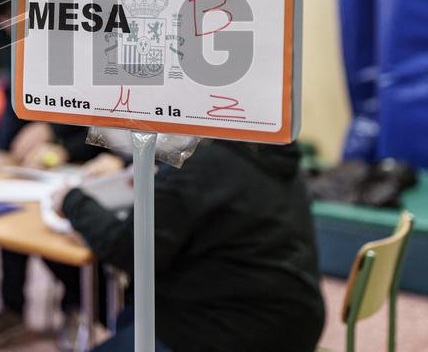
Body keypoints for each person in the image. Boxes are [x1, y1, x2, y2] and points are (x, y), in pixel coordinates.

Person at [0, 0, 121, 349]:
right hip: (18, 130)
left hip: (77, 137)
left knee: (63, 232)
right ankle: (12, 308)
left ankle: (76, 305)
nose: (4, 29)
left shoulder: (72, 21)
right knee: (11, 220)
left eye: (11, 21)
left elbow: (98, 100)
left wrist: (55, 132)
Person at [54, 140, 326, 352]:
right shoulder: (266, 149)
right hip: (293, 320)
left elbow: (128, 249)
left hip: (227, 331)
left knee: (133, 317)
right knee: (130, 317)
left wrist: (72, 201)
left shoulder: (202, 161)